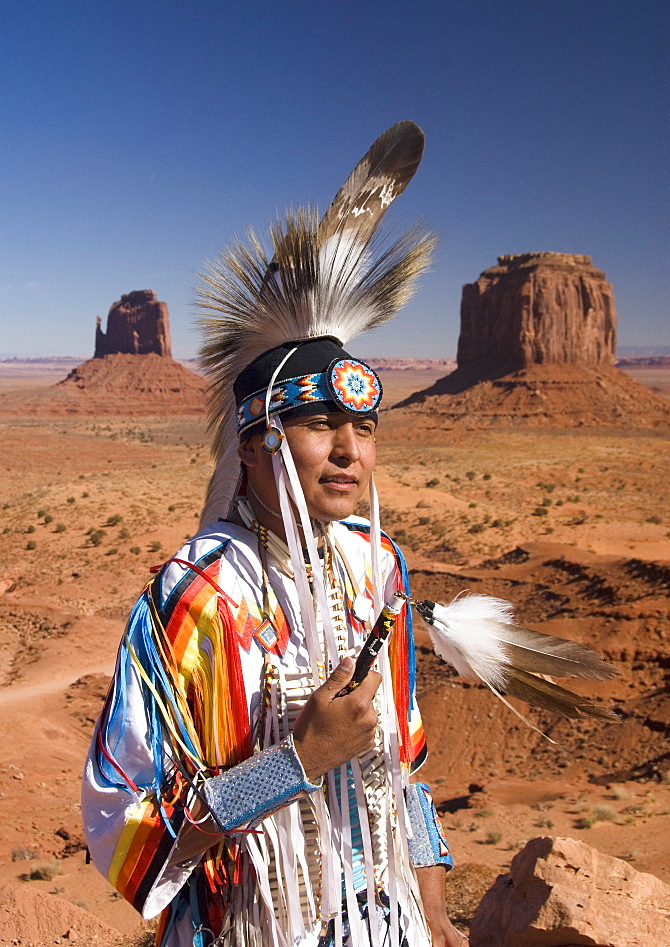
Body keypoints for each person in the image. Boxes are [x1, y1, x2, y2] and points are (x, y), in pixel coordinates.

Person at [82, 123, 468, 947]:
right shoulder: (193, 599)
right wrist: (292, 764)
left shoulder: (378, 569)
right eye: (320, 425)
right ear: (255, 447)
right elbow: (125, 828)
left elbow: (401, 771)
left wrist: (433, 916)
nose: (349, 450)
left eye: (362, 426)